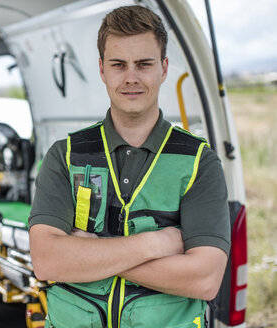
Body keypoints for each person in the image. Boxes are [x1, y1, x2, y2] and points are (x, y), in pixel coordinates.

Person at [28, 5, 230, 328]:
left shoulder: (198, 163)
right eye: (119, 65)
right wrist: (156, 244)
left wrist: (89, 254)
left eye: (144, 64)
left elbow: (204, 278)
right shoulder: (64, 156)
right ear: (102, 70)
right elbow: (47, 261)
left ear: (164, 69)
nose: (131, 77)